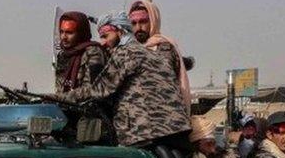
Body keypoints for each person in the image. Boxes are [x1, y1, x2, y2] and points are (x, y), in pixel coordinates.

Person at [55, 33, 190, 150]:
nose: (102, 42)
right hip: (178, 131)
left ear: (120, 33)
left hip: (144, 136)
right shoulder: (158, 54)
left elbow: (98, 90)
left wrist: (57, 98)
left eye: (105, 36)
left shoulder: (125, 52)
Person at [55, 11, 110, 144]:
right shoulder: (63, 56)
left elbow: (94, 90)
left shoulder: (94, 52)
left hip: (90, 123)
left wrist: (60, 98)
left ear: (81, 33)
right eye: (62, 32)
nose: (64, 37)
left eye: (69, 33)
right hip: (67, 120)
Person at [129, 0, 192, 108]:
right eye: (134, 23)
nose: (138, 27)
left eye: (143, 22)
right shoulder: (128, 50)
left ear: (153, 21)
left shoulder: (165, 48)